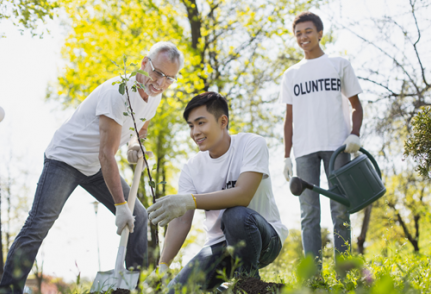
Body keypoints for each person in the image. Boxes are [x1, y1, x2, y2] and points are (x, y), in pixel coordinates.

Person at [0, 42, 184, 293]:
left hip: (95, 166)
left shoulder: (154, 96)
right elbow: (107, 154)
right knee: (39, 224)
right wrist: (120, 206)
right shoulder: (116, 92)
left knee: (139, 218)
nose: (161, 82)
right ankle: (9, 289)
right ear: (144, 63)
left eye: (169, 78)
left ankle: (127, 289)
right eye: (158, 73)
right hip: (65, 159)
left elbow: (140, 129)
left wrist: (133, 145)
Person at [146, 92, 289, 292]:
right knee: (176, 291)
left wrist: (190, 201)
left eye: (201, 123)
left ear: (223, 122)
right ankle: (228, 287)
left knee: (235, 215)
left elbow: (243, 195)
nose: (195, 132)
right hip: (219, 247)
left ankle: (248, 285)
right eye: (191, 126)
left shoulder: (252, 144)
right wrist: (163, 266)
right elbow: (181, 220)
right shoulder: (192, 167)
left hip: (263, 238)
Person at [279, 11, 363, 268]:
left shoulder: (339, 64)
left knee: (340, 210)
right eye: (298, 34)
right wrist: (286, 156)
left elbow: (356, 106)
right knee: (309, 214)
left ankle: (344, 273)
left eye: (308, 32)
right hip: (304, 151)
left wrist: (355, 134)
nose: (303, 37)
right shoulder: (291, 74)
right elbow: (289, 118)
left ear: (319, 33)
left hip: (337, 147)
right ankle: (313, 278)